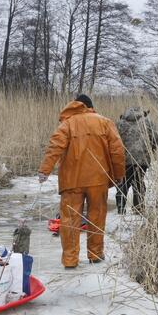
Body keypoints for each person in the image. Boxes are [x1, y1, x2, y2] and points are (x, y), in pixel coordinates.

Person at [38, 94, 125, 269]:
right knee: (96, 217)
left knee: (69, 220)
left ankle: (70, 260)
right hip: (98, 179)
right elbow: (117, 150)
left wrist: (44, 171)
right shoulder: (105, 122)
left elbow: (54, 147)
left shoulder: (67, 124)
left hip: (72, 181)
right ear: (90, 106)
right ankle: (95, 254)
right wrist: (119, 174)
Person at [115, 107, 158, 215]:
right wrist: (150, 152)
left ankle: (121, 209)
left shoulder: (120, 123)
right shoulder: (147, 122)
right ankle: (138, 208)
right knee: (139, 182)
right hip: (142, 159)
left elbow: (113, 140)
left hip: (124, 159)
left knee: (124, 183)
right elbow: (155, 139)